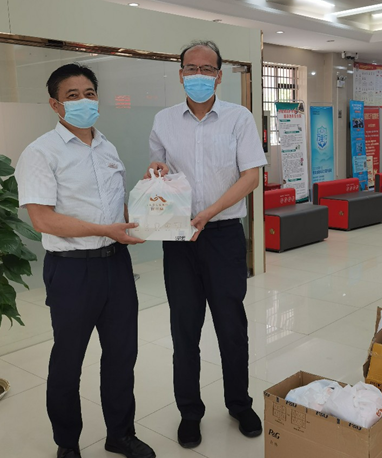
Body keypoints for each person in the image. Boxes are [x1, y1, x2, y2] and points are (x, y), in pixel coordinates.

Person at [15, 63, 155, 458]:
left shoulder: (107, 148)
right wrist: (105, 229)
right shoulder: (40, 152)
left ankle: (120, 434)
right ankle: (67, 444)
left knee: (122, 355)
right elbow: (43, 219)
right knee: (68, 361)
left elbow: (118, 208)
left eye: (89, 93)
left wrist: (153, 197)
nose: (83, 101)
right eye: (72, 95)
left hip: (116, 265)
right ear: (55, 105)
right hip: (72, 270)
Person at [146, 40, 267, 448]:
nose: (198, 75)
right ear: (180, 73)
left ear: (219, 75)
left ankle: (239, 403)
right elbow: (158, 171)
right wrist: (156, 171)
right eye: (191, 68)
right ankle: (189, 412)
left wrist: (210, 211)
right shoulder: (164, 120)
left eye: (207, 68)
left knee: (231, 326)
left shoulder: (238, 118)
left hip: (223, 235)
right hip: (179, 238)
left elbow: (251, 177)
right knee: (184, 329)